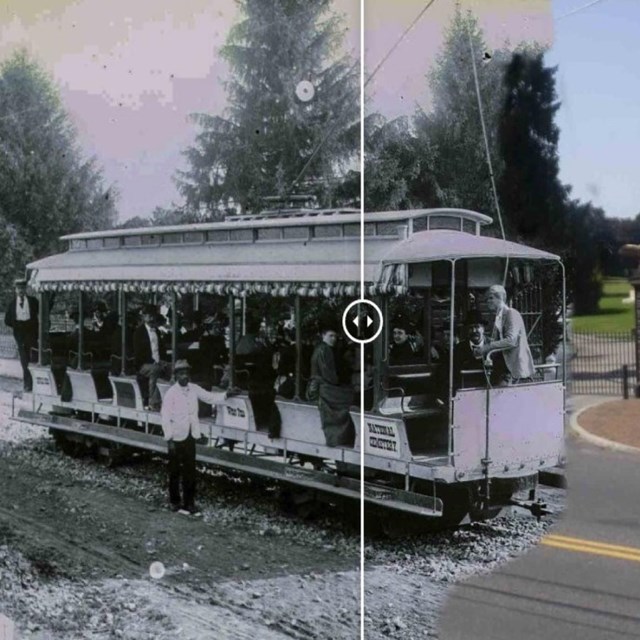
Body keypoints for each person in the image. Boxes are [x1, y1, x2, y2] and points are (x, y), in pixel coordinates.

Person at [161, 360, 220, 515]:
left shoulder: (194, 389)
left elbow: (209, 397)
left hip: (190, 436)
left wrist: (227, 395)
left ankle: (189, 503)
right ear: (176, 376)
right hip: (176, 438)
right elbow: (165, 417)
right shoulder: (171, 393)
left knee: (190, 471)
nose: (184, 376)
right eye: (181, 373)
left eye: (186, 373)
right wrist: (169, 439)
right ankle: (174, 501)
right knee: (174, 472)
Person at [473, 284, 535, 385]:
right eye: (486, 299)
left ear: (500, 298)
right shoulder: (498, 317)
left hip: (513, 367)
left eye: (491, 298)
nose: (488, 302)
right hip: (502, 366)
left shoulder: (511, 313)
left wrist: (487, 347)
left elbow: (511, 341)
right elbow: (498, 342)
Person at [308, 324, 355, 447]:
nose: (333, 338)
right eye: (331, 335)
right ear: (323, 336)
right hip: (325, 389)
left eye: (335, 336)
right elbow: (329, 375)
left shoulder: (322, 349)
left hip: (323, 386)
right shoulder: (325, 350)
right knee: (350, 399)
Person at [133, 304, 171, 410]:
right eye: (148, 315)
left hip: (158, 362)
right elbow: (139, 353)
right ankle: (153, 402)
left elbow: (161, 350)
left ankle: (170, 400)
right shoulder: (138, 332)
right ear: (144, 317)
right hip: (144, 364)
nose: (151, 317)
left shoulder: (157, 331)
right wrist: (153, 362)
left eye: (153, 315)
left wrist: (163, 361)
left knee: (172, 368)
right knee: (155, 370)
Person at [4, 279, 39, 392]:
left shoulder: (33, 301)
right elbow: (7, 320)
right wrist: (17, 326)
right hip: (20, 335)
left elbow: (40, 313)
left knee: (35, 358)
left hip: (32, 334)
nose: (21, 291)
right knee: (24, 361)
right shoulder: (12, 304)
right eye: (18, 289)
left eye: (23, 288)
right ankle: (27, 384)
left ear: (26, 289)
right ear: (15, 290)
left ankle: (37, 384)